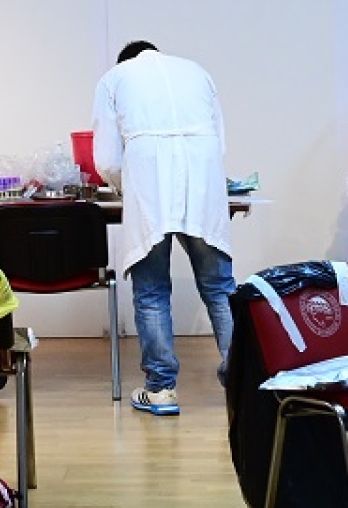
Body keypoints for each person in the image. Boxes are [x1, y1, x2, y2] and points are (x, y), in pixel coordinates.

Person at [92, 40, 235, 416]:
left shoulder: (114, 79)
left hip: (149, 181)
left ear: (125, 62)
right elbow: (219, 143)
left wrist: (124, 186)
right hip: (202, 178)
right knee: (220, 288)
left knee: (152, 290)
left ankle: (161, 390)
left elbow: (107, 160)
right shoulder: (197, 71)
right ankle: (243, 379)